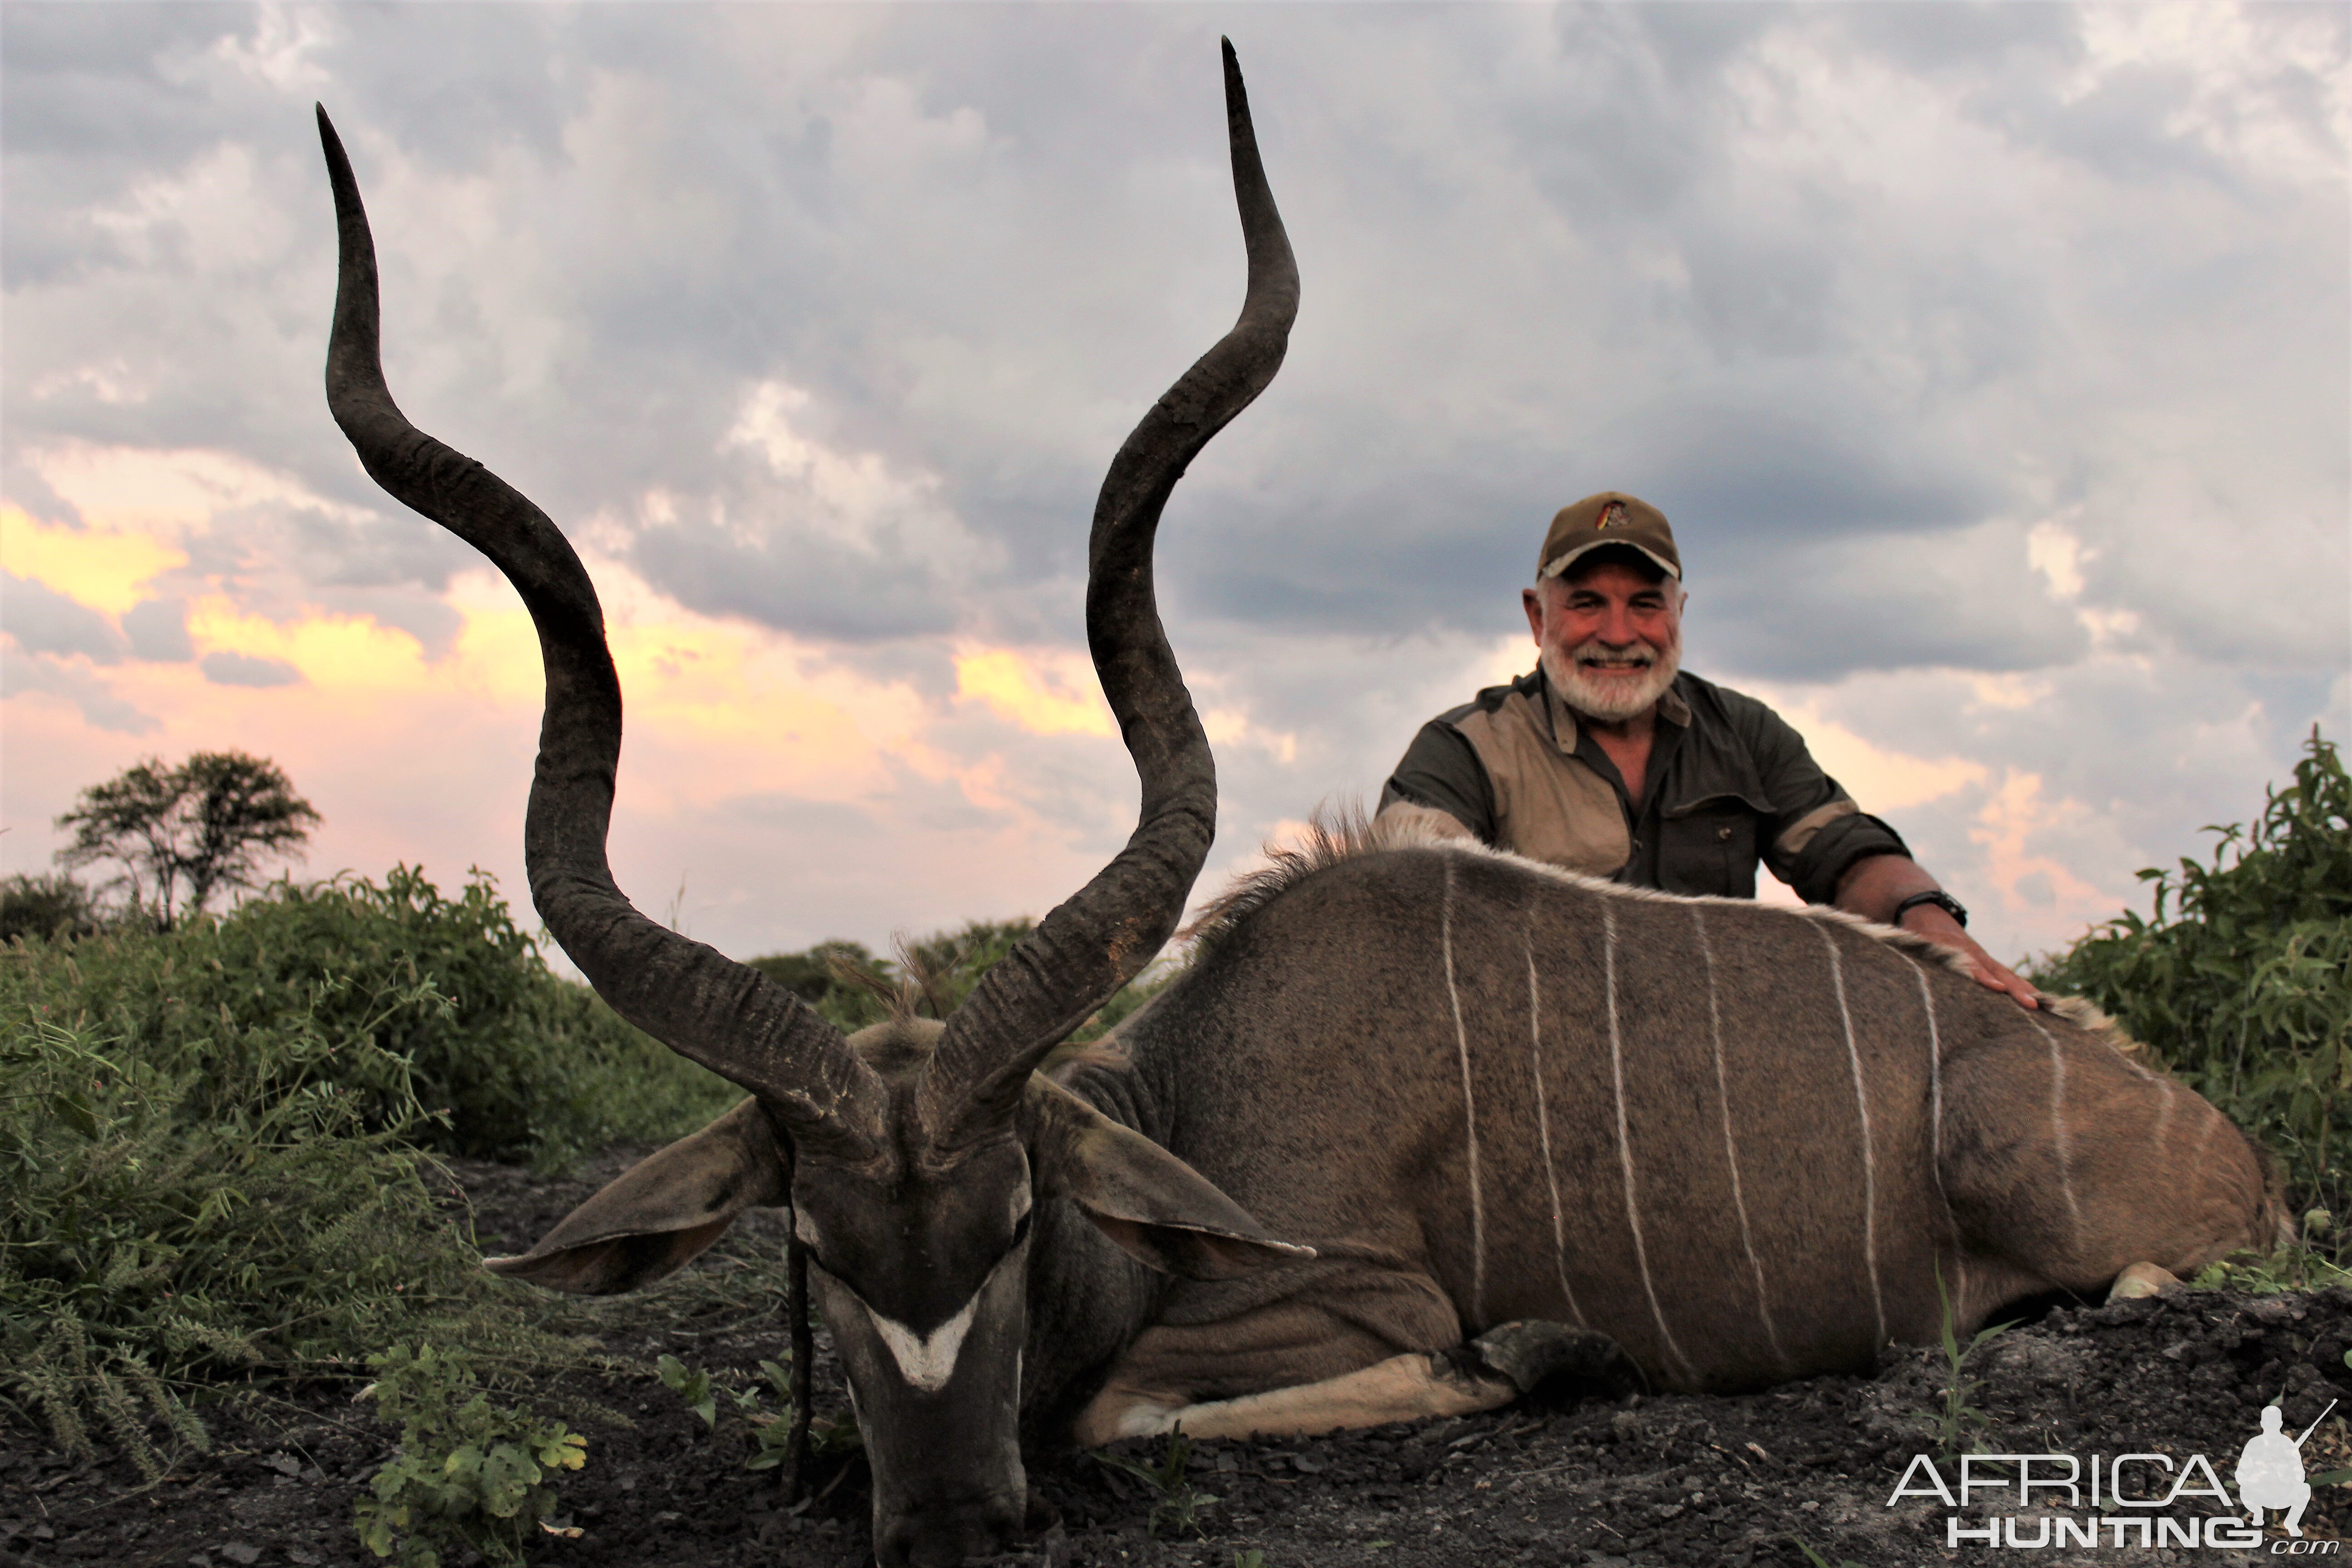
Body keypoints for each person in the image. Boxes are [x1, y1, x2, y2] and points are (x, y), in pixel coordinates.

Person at [1377, 491, 2041, 1009]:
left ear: (1679, 611)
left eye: (1645, 604)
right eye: (1586, 603)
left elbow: (1847, 854)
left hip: (1718, 1054)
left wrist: (1935, 928)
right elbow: (1404, 905)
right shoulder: (1464, 750)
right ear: (1536, 615)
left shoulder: (1744, 733)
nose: (1617, 633)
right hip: (1540, 1063)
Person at [2234, 1405, 2313, 1536]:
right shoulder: (2254, 1444)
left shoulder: (2288, 1445)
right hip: (2259, 1493)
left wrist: (2285, 1475)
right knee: (2245, 1489)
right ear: (2262, 1424)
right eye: (2268, 1422)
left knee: (2305, 1489)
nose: (2271, 1425)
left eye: (2275, 1422)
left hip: (2282, 1493)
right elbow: (2241, 1472)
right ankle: (2258, 1513)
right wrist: (2257, 1476)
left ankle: (2291, 1522)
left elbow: (2300, 1474)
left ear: (2280, 1424)